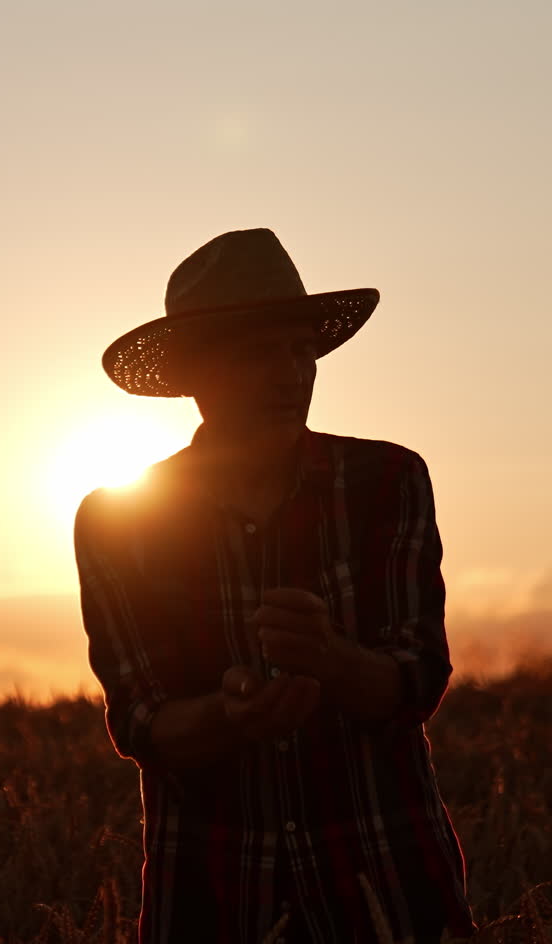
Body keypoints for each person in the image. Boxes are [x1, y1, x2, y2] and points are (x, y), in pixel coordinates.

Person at [74, 229, 476, 944]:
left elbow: (416, 681)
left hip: (385, 881)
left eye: (300, 351)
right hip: (214, 892)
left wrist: (331, 658)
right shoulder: (117, 522)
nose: (291, 374)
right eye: (259, 352)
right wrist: (231, 717)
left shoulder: (386, 483)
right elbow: (140, 722)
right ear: (196, 374)